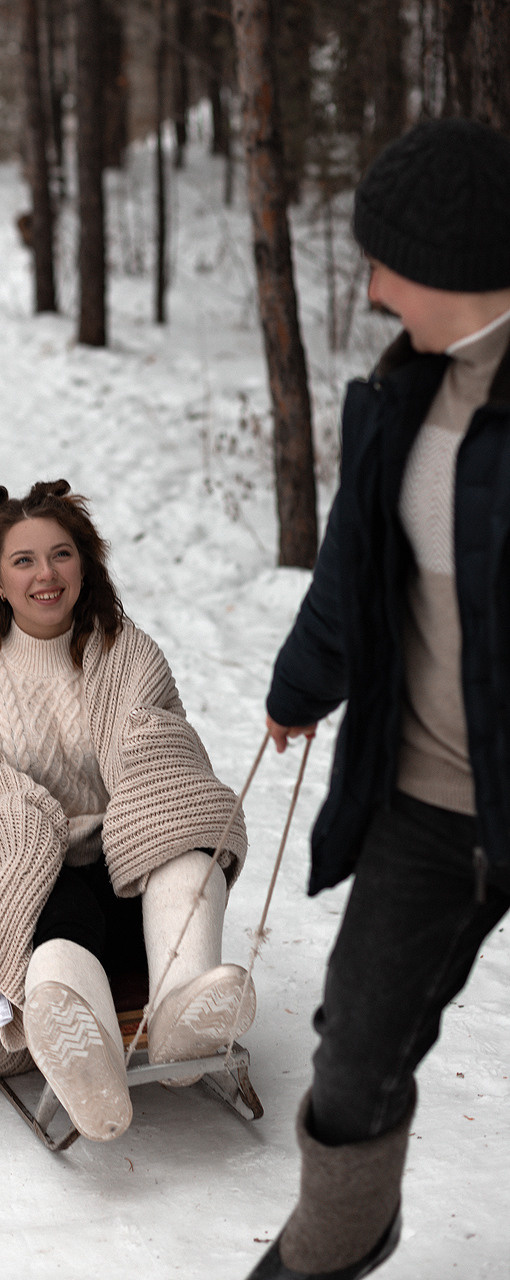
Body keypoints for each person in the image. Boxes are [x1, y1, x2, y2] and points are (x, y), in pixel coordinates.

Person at [244, 117, 510, 1280]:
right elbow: (356, 574)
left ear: (449, 263)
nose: (365, 285)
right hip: (423, 795)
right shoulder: (400, 397)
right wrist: (302, 686)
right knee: (352, 1045)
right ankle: (331, 1240)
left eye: (381, 259)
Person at [0, 479, 255, 1141]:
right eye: (24, 560)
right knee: (64, 910)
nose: (47, 574)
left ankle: (184, 1003)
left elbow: (163, 751)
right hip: (39, 883)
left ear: (84, 564)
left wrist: (149, 805)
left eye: (61, 554)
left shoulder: (126, 651)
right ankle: (85, 1064)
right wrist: (37, 821)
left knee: (181, 821)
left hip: (132, 870)